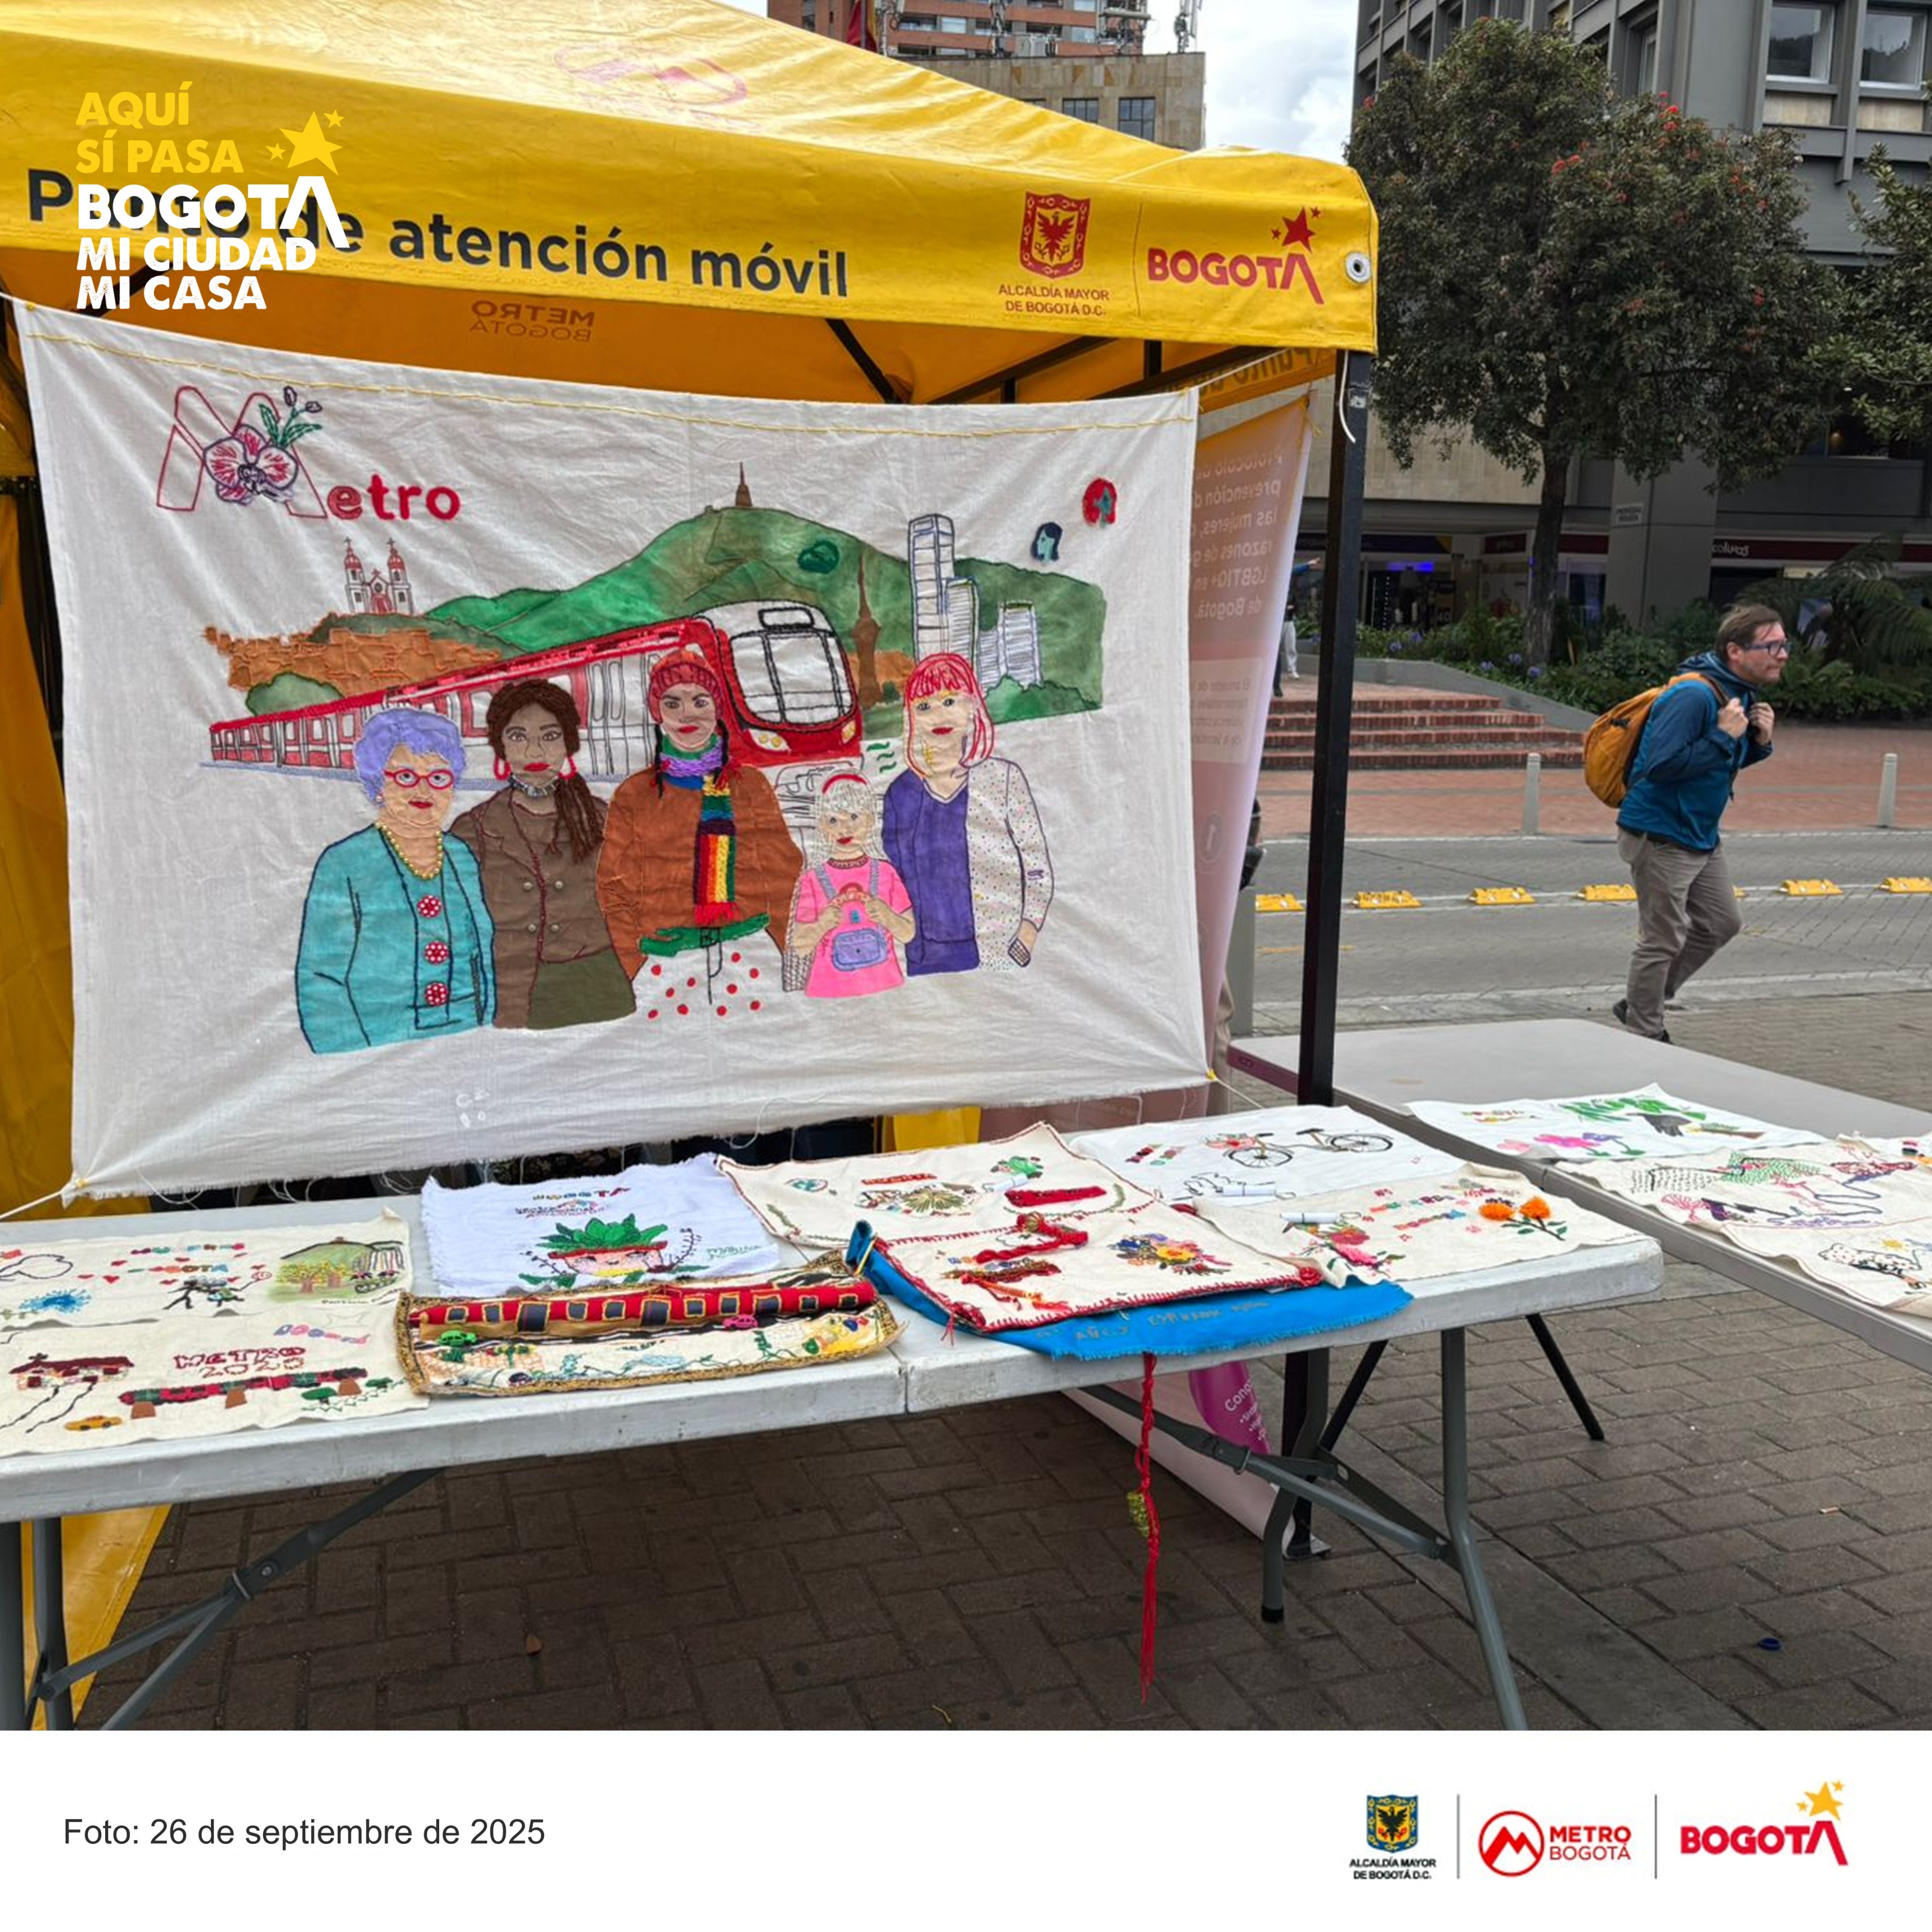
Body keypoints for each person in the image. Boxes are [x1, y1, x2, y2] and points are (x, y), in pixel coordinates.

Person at [1612, 602, 1784, 1041]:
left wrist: (1758, 743)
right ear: (1735, 651)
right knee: (1662, 938)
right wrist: (1722, 735)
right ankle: (1645, 1033)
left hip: (1700, 834)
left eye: (1785, 645)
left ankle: (1643, 1000)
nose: (1782, 655)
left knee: (1721, 923)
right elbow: (1661, 765)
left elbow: (1717, 764)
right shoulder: (1692, 695)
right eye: (1771, 646)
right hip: (1661, 834)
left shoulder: (1739, 693)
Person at [296, 708, 494, 1052]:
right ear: (378, 782)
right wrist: (350, 1058)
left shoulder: (460, 854)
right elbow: (322, 976)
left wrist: (489, 1029)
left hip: (470, 1039)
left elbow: (484, 955)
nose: (424, 790)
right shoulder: (344, 862)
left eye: (439, 778)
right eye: (405, 776)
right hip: (379, 1044)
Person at [596, 649, 799, 978]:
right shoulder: (635, 794)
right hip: (665, 959)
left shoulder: (749, 785)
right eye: (672, 703)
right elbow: (613, 886)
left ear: (717, 708)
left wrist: (786, 955)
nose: (687, 715)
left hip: (751, 954)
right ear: (657, 713)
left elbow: (784, 874)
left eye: (700, 702)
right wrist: (635, 958)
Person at [448, 679, 634, 1030]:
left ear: (568, 744)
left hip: (596, 988)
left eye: (550, 736)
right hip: (508, 991)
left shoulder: (601, 819)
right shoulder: (473, 830)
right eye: (518, 737)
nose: (535, 753)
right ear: (500, 745)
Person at [881, 652, 1053, 975]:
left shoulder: (1002, 779)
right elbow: (892, 879)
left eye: (949, 701)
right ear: (912, 718)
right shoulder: (900, 794)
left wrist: (1029, 929)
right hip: (926, 955)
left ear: (973, 705)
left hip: (999, 947)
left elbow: (1036, 865)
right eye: (924, 707)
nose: (938, 715)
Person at [786, 772, 916, 999]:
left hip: (886, 988)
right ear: (822, 826)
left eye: (854, 817)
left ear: (870, 820)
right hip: (828, 991)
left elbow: (908, 934)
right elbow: (800, 946)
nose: (844, 829)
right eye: (833, 820)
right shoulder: (812, 879)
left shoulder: (885, 872)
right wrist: (821, 925)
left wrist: (887, 916)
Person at [1274, 600, 1299, 693]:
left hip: (1289, 621)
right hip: (1279, 621)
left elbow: (1296, 605)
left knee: (1291, 646)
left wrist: (1293, 609)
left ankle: (1292, 670)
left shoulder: (1292, 595)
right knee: (1276, 648)